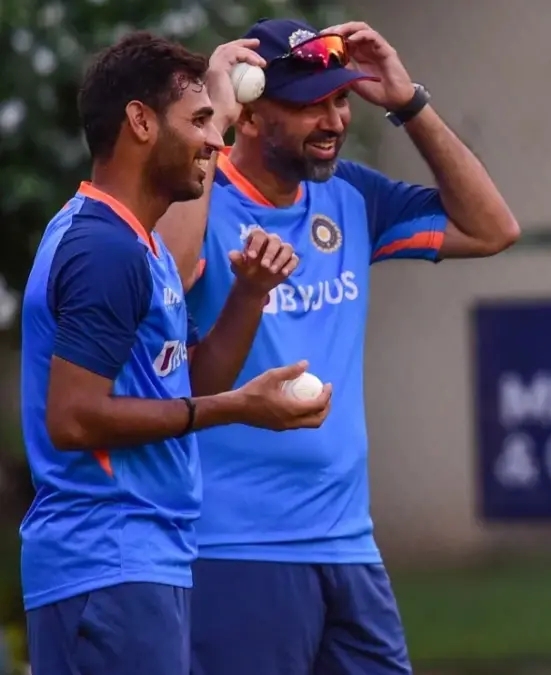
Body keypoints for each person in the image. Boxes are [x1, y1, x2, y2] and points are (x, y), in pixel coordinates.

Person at [155, 18, 520, 675]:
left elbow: (493, 227)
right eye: (308, 104)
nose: (333, 119)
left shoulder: (350, 195)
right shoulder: (198, 201)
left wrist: (410, 104)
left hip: (349, 545)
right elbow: (171, 273)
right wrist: (209, 107)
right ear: (252, 113)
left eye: (340, 100)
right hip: (237, 548)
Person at [20, 32, 333, 675]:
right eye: (199, 121)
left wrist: (247, 297)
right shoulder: (102, 249)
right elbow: (74, 418)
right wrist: (235, 407)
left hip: (144, 558)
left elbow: (180, 383)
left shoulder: (144, 246)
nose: (218, 143)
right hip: (105, 560)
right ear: (139, 121)